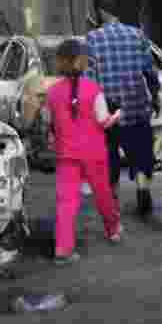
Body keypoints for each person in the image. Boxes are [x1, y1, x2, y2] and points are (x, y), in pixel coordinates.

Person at [46, 38, 123, 265]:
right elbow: (104, 121)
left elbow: (49, 123)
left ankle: (63, 250)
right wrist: (117, 115)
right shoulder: (94, 90)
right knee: (103, 194)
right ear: (83, 62)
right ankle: (113, 230)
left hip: (66, 155)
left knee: (66, 202)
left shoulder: (52, 93)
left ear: (60, 63)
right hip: (94, 154)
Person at [86, 0, 160, 216]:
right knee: (141, 151)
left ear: (100, 12)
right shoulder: (137, 35)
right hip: (136, 104)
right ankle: (142, 188)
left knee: (109, 154)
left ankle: (113, 198)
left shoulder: (93, 39)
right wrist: (155, 95)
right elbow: (150, 70)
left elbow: (89, 77)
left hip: (108, 109)